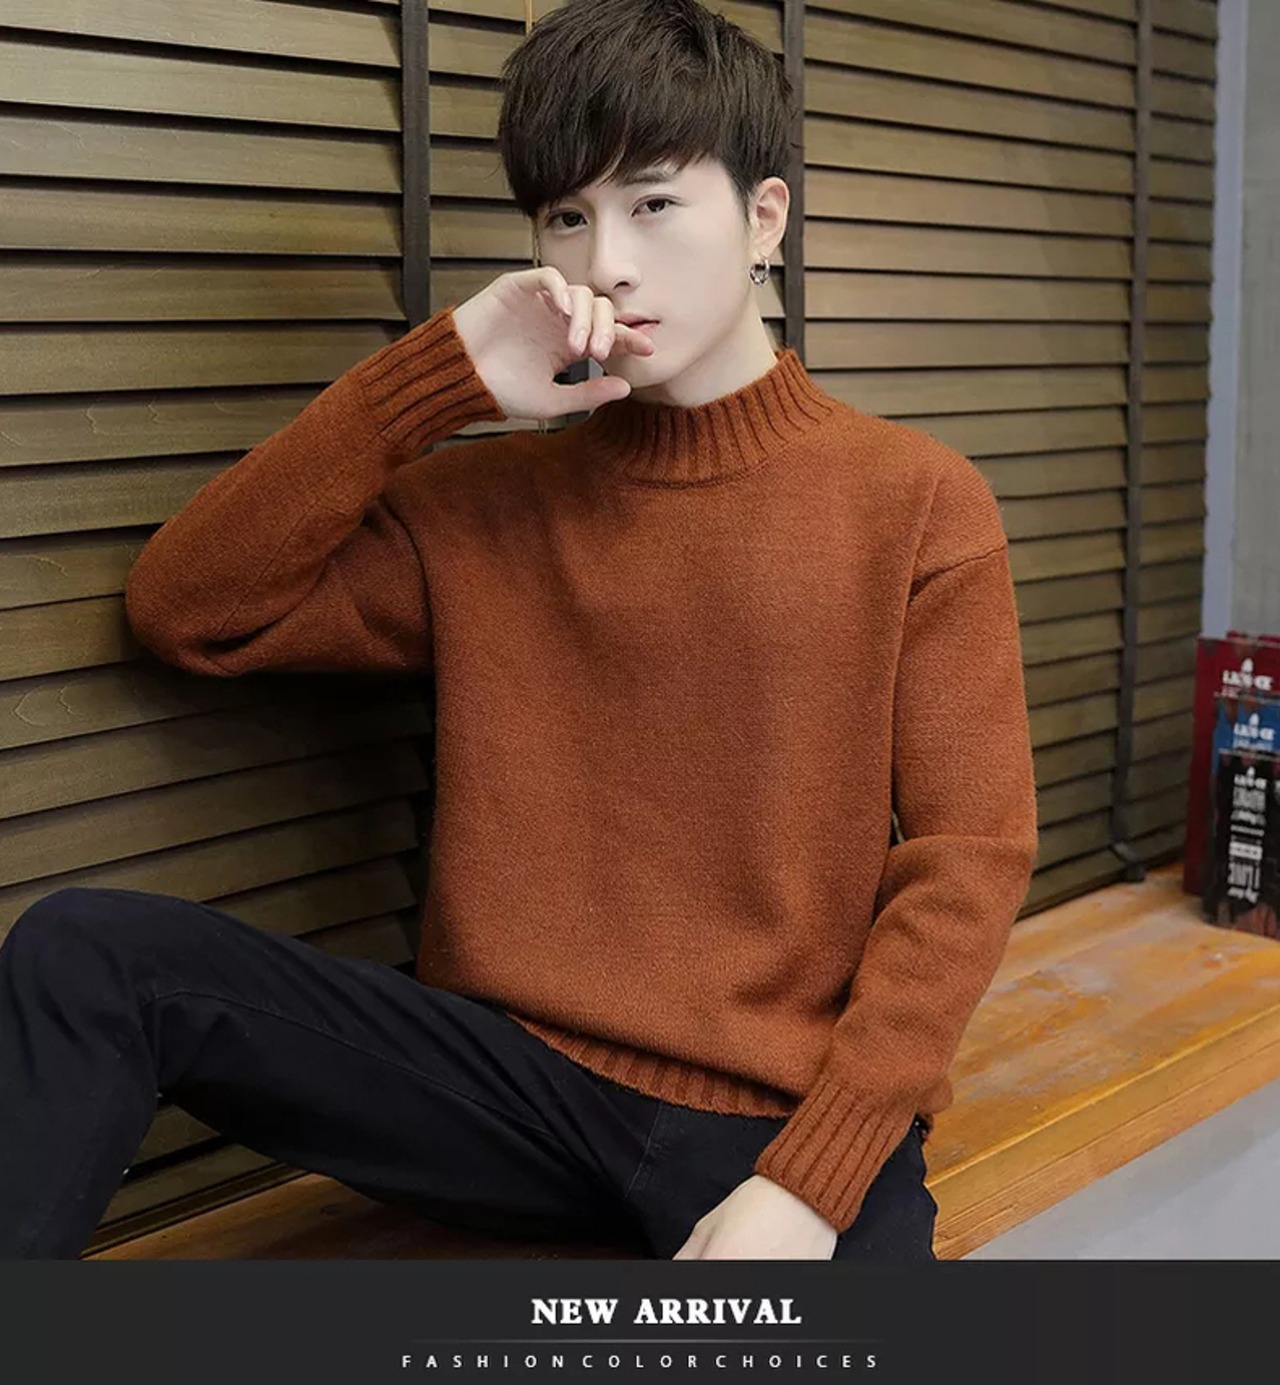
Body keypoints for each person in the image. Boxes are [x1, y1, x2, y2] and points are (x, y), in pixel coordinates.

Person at [0, 0, 1037, 1262]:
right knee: (88, 953)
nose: (607, 261)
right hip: (507, 1088)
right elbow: (190, 607)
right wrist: (429, 382)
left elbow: (966, 860)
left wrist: (811, 1180)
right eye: (565, 216)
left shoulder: (913, 500)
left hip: (772, 1120)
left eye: (653, 203)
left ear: (763, 219)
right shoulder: (486, 501)